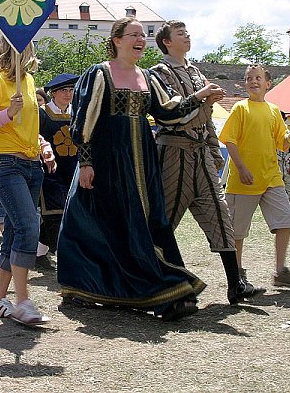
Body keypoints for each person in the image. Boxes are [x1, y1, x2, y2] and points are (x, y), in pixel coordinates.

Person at [58, 18, 223, 320]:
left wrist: (199, 97)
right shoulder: (100, 73)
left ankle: (153, 287)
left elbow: (167, 112)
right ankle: (89, 286)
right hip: (107, 161)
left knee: (143, 222)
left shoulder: (146, 77)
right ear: (117, 40)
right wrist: (85, 162)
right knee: (100, 224)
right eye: (133, 34)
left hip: (141, 162)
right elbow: (83, 121)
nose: (140, 40)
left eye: (142, 35)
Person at [151, 20, 265, 304]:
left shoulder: (196, 72)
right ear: (167, 41)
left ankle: (235, 283)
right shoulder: (158, 73)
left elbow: (208, 120)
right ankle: (154, 283)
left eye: (187, 32)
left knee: (220, 214)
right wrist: (203, 99)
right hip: (173, 153)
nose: (187, 36)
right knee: (163, 222)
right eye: (180, 34)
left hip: (201, 153)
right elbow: (172, 114)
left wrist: (214, 152)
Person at [0, 38, 56, 324]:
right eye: (24, 44)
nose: (29, 50)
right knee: (28, 226)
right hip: (5, 163)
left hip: (32, 164)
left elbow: (29, 125)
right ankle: (23, 301)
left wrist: (43, 145)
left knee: (13, 231)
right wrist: (7, 113)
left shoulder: (30, 81)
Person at [218, 64, 290, 289]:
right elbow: (229, 140)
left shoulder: (274, 111)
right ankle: (237, 274)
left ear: (268, 84)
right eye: (249, 78)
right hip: (243, 181)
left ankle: (280, 271)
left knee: (285, 221)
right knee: (238, 232)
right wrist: (242, 168)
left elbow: (283, 143)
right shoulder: (240, 108)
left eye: (258, 78)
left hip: (271, 178)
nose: (253, 81)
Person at [37, 73, 79, 256]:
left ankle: (39, 253)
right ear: (53, 93)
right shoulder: (42, 114)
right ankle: (64, 254)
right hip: (50, 171)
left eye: (71, 90)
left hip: (73, 170)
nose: (68, 94)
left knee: (68, 214)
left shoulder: (77, 114)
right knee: (54, 214)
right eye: (63, 90)